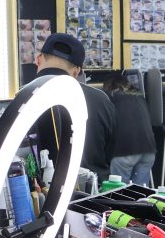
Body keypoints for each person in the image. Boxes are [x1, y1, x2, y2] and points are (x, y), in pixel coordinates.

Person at [34, 32, 117, 183]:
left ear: (38, 59)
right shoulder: (101, 99)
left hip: (45, 197)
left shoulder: (23, 97)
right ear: (77, 71)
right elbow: (110, 153)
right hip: (93, 195)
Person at [102, 73, 156, 186]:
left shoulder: (109, 98)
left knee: (119, 192)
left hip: (124, 151)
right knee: (140, 193)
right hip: (148, 151)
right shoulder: (139, 96)